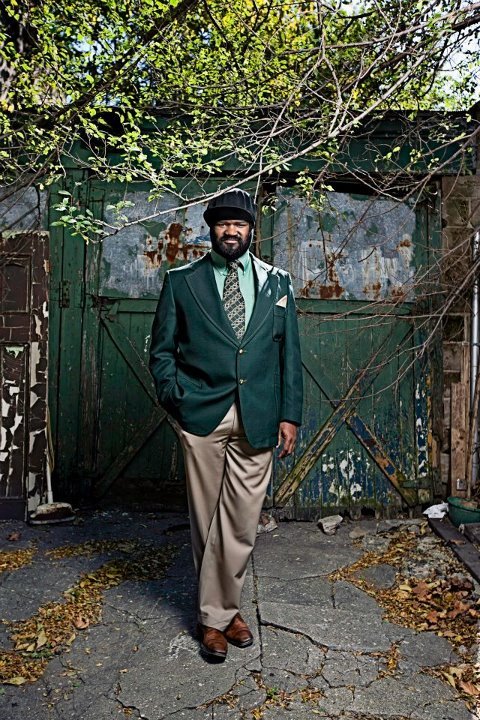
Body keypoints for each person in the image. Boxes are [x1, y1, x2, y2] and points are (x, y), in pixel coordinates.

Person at [149, 188, 303, 662]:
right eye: (223, 223)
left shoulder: (278, 283)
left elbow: (289, 354)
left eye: (239, 223)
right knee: (205, 519)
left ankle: (213, 616)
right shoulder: (182, 282)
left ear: (251, 230)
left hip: (259, 414)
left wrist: (290, 414)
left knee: (239, 521)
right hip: (202, 413)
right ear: (211, 229)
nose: (231, 231)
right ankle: (223, 615)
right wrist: (177, 398)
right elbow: (161, 352)